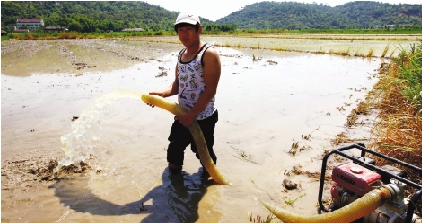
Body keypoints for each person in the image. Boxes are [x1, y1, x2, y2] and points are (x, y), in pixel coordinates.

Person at [147, 12, 222, 176]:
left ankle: (209, 188)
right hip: (182, 115)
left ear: (199, 29)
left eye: (189, 29)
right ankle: (174, 189)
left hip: (203, 118)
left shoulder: (208, 54)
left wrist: (192, 115)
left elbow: (210, 91)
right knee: (174, 153)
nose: (184, 34)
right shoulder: (182, 54)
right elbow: (177, 84)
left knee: (205, 156)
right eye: (181, 30)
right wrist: (160, 95)